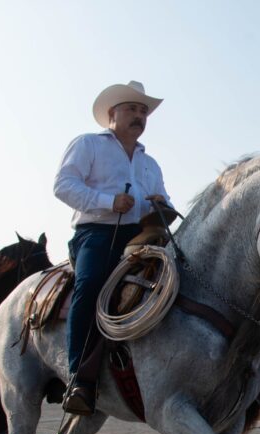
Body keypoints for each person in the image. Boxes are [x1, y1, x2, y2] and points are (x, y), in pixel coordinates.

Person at [54, 80, 173, 415]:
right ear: (112, 114)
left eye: (143, 111)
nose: (139, 116)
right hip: (97, 234)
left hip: (141, 236)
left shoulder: (150, 164)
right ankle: (79, 377)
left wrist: (162, 205)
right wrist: (108, 201)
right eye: (132, 109)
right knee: (90, 284)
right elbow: (63, 185)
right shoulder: (89, 144)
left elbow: (165, 198)